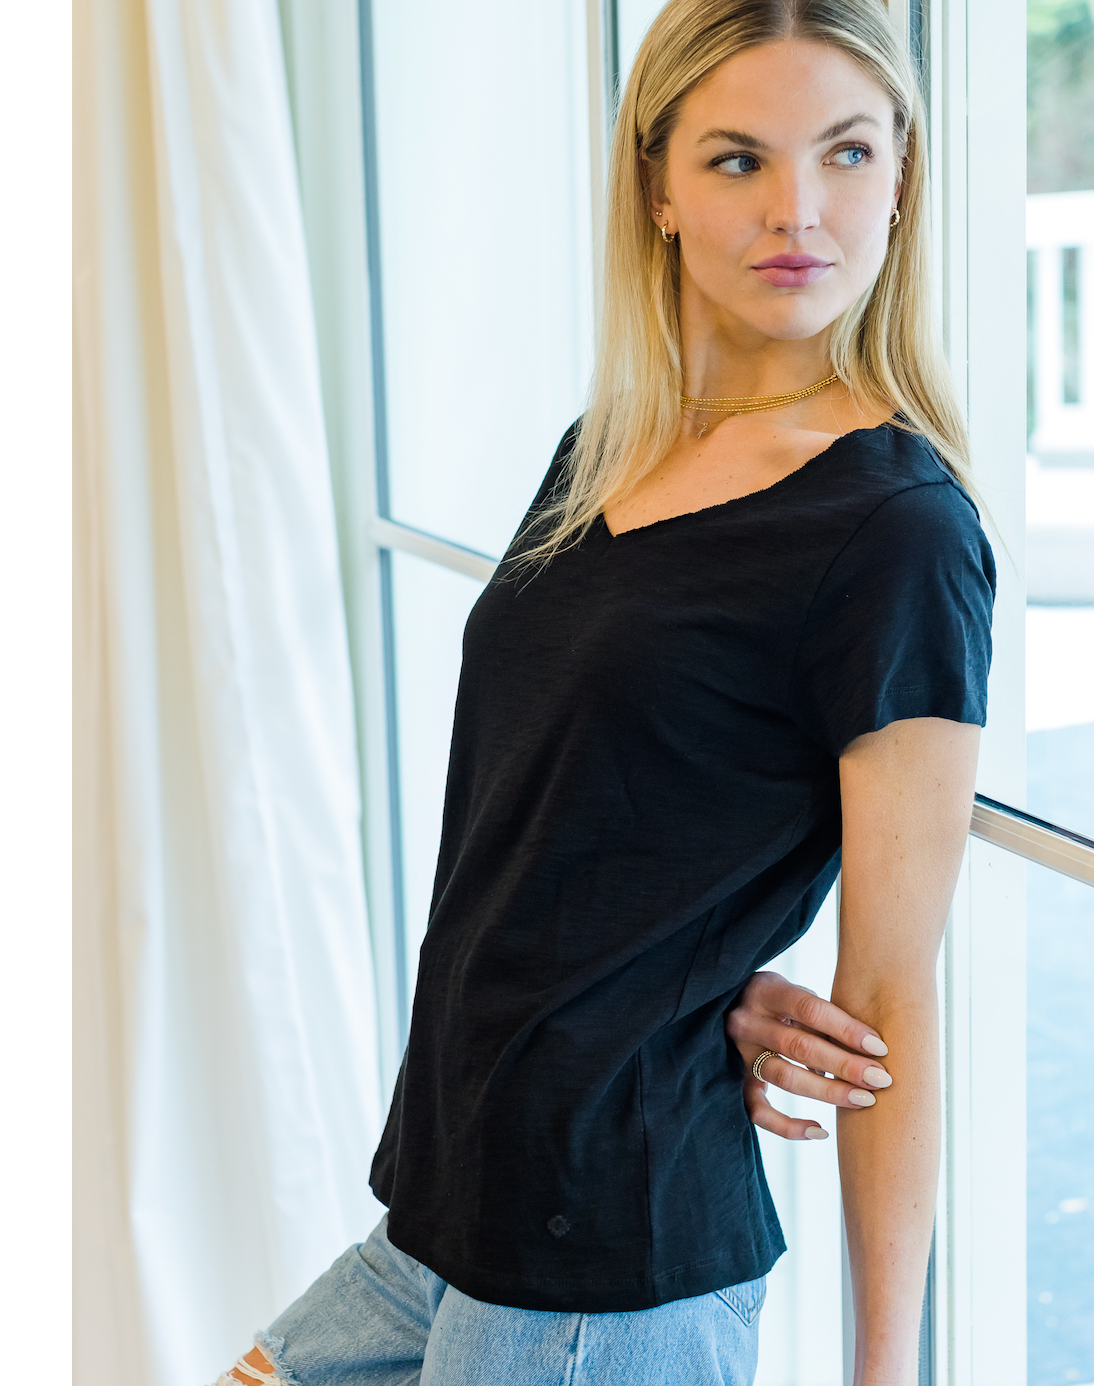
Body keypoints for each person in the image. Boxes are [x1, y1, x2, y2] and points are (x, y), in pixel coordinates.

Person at [219, 2, 993, 1383]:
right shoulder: (609, 450)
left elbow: (889, 990)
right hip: (451, 1201)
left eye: (846, 152)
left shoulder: (897, 532)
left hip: (598, 1266)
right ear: (658, 188)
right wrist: (705, 982)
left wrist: (887, 1369)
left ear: (902, 180)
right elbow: (579, 816)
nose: (797, 210)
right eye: (738, 159)